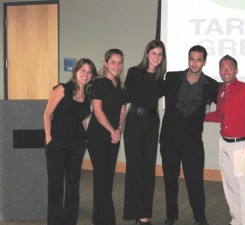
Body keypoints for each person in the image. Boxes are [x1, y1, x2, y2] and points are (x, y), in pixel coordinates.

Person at [159, 45, 218, 225]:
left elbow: (226, 106)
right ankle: (171, 216)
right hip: (169, 139)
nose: (194, 63)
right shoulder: (171, 78)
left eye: (198, 59)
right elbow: (151, 91)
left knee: (195, 182)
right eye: (192, 59)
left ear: (204, 62)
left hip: (192, 141)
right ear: (188, 59)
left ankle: (200, 218)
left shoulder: (211, 85)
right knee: (170, 180)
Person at [205, 54, 245, 225]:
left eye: (229, 67)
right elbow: (221, 116)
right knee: (230, 187)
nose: (225, 71)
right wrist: (203, 116)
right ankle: (238, 220)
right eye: (222, 68)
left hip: (242, 146)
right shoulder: (222, 91)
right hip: (224, 144)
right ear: (219, 71)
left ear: (236, 70)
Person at [44, 58, 97, 225]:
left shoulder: (87, 95)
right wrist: (49, 138)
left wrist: (85, 139)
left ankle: (69, 221)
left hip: (77, 145)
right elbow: (47, 114)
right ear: (76, 71)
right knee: (56, 187)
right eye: (83, 70)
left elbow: (81, 120)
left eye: (89, 72)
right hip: (57, 144)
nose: (86, 74)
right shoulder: (63, 89)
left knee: (73, 186)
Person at [123, 40, 167, 225]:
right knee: (134, 167)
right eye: (154, 53)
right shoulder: (134, 72)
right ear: (147, 54)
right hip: (134, 122)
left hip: (151, 123)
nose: (156, 57)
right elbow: (124, 97)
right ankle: (138, 212)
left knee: (148, 168)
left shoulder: (162, 80)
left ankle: (144, 212)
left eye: (160, 54)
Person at [87, 49, 126, 225]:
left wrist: (119, 129)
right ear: (105, 63)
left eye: (119, 62)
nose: (116, 66)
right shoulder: (98, 83)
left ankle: (106, 219)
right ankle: (100, 220)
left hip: (114, 136)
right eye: (113, 62)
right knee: (101, 178)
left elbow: (122, 110)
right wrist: (112, 130)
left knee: (108, 179)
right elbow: (97, 111)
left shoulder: (121, 85)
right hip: (98, 136)